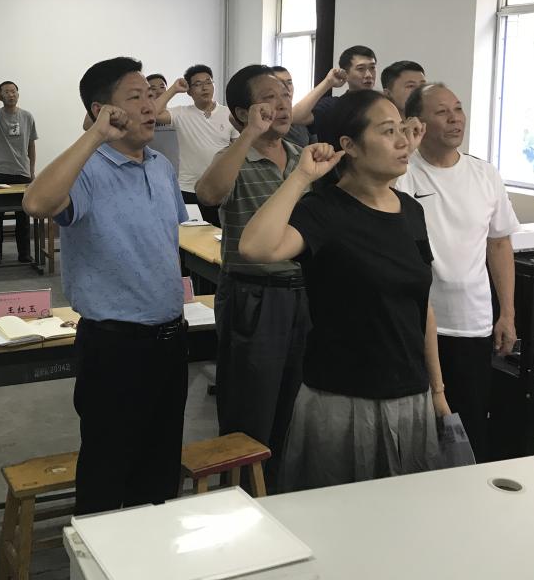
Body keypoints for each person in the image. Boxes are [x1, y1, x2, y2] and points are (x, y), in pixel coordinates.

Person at [240, 90, 450, 492]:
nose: (404, 142)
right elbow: (255, 248)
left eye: (403, 129)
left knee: (405, 516)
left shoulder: (411, 211)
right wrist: (301, 177)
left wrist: (437, 390)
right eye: (388, 131)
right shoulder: (324, 210)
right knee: (335, 516)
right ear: (349, 145)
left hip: (410, 397)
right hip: (341, 402)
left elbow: (421, 307)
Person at [23, 57, 188, 516]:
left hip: (170, 339)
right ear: (102, 111)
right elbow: (36, 202)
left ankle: (151, 547)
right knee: (107, 466)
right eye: (135, 97)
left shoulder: (160, 167)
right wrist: (95, 137)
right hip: (115, 346)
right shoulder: (86, 170)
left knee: (160, 468)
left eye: (150, 95)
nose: (150, 106)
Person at [194, 65, 309, 489]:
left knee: (297, 405)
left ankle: (281, 493)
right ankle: (241, 498)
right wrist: (247, 136)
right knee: (250, 408)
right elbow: (208, 194)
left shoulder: (301, 157)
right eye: (268, 98)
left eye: (285, 95)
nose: (282, 105)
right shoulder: (233, 158)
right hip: (254, 297)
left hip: (304, 294)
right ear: (242, 113)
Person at [397, 83, 518, 460]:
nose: (455, 119)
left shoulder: (484, 173)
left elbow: (499, 244)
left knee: (467, 427)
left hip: (471, 324)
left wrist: (507, 313)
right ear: (417, 123)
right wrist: (406, 149)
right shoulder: (404, 173)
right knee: (414, 431)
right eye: (442, 112)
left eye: (458, 109)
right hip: (415, 324)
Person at [156, 64, 237, 226]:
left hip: (221, 190)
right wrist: (173, 89)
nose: (204, 87)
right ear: (189, 91)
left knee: (221, 235)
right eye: (198, 84)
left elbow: (237, 153)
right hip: (188, 189)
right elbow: (153, 114)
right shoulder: (181, 113)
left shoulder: (229, 114)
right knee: (191, 236)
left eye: (208, 82)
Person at [0, 81, 38, 264]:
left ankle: (24, 253)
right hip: (0, 172)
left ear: (18, 94)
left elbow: (31, 145)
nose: (11, 95)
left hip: (22, 172)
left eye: (14, 91)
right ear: (0, 95)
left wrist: (32, 170)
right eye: (6, 92)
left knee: (23, 215)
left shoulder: (27, 116)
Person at [310, 45, 377, 142]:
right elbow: (297, 116)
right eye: (361, 69)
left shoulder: (384, 106)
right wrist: (328, 82)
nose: (369, 75)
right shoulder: (333, 105)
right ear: (346, 74)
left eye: (372, 67)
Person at [269, 65, 347, 147]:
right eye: (280, 83)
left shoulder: (302, 117)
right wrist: (328, 82)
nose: (286, 88)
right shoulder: (268, 119)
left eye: (289, 83)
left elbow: (313, 147)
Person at [145, 73, 180, 175]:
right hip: (149, 171)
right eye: (153, 88)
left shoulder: (176, 115)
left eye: (162, 87)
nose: (159, 91)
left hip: (175, 173)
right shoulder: (141, 118)